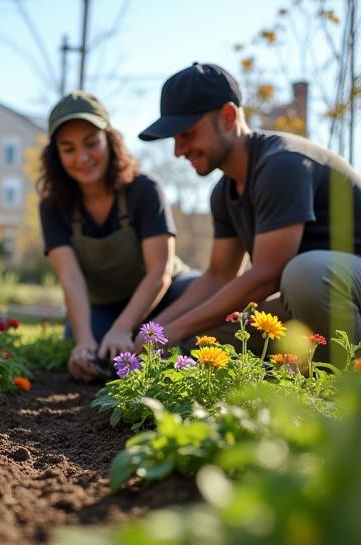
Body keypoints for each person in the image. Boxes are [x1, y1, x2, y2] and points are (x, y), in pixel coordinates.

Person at [137, 62, 361, 360]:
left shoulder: (282, 163)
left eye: (187, 133)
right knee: (201, 341)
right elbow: (218, 277)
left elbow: (267, 275)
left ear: (228, 117)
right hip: (312, 304)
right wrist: (153, 332)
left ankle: (347, 373)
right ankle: (305, 373)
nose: (178, 150)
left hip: (337, 288)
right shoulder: (224, 192)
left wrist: (174, 331)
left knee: (304, 274)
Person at [38, 91, 195, 381]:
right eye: (68, 148)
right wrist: (84, 341)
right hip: (103, 306)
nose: (82, 157)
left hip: (163, 295)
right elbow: (70, 279)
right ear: (56, 155)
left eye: (91, 143)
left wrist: (124, 328)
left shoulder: (145, 189)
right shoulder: (53, 207)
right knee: (90, 352)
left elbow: (159, 271)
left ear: (110, 140)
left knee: (198, 292)